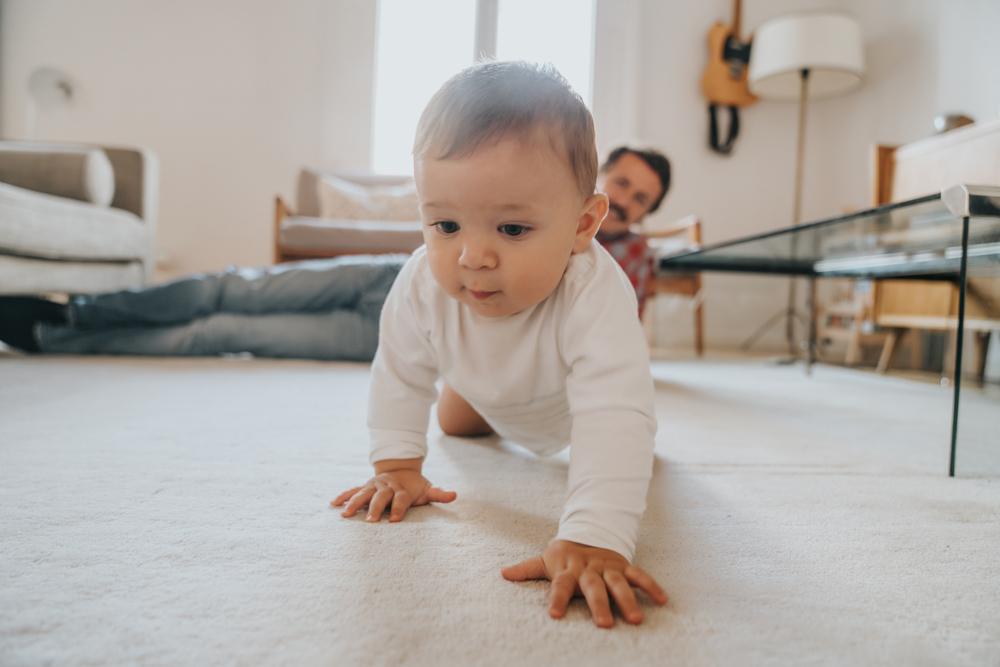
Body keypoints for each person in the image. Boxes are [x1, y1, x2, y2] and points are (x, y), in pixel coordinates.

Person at [329, 61, 668, 629]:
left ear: (584, 224)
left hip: (566, 405)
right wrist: (398, 464)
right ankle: (473, 396)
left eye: (511, 229)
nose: (472, 257)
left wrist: (595, 535)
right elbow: (399, 372)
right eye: (445, 226)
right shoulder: (420, 282)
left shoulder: (595, 290)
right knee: (457, 419)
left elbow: (612, 411)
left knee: (629, 434)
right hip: (482, 382)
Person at [0, 254, 405, 360]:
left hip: (390, 337)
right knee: (224, 288)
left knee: (219, 333)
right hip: (393, 274)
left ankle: (53, 340)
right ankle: (77, 312)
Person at [595, 146, 672, 318]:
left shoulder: (636, 252)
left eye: (640, 199)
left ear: (645, 214)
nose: (623, 202)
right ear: (599, 173)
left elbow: (624, 323)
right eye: (621, 183)